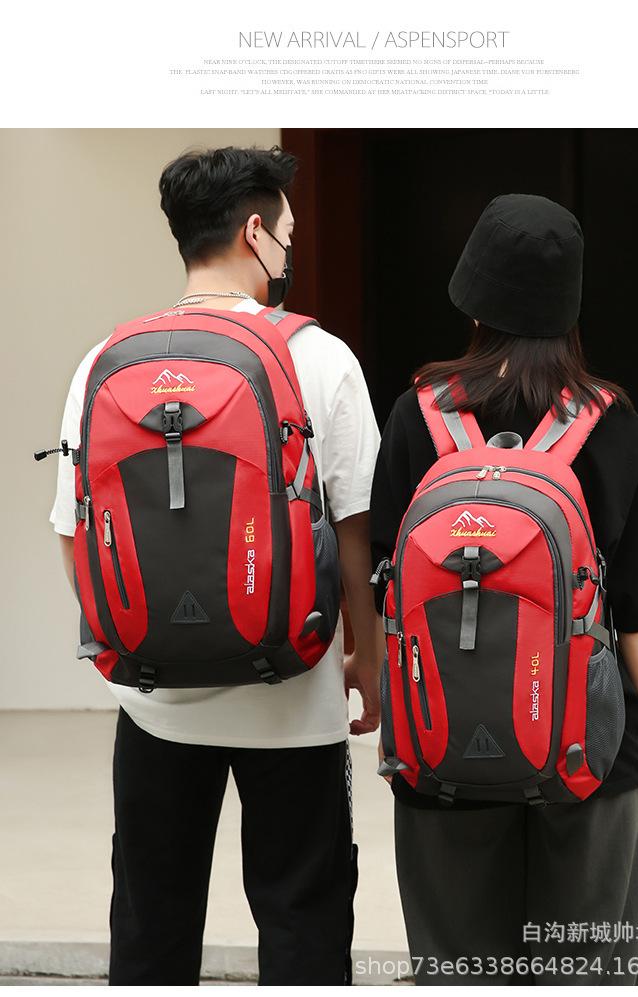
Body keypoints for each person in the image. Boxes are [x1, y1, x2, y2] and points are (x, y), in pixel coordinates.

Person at [49, 145, 384, 985]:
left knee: (151, 925)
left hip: (155, 702)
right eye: (287, 234)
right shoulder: (321, 358)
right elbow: (355, 534)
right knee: (303, 917)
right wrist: (369, 658)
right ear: (254, 231)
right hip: (295, 696)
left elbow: (73, 531)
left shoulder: (103, 361)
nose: (289, 250)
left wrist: (129, 641)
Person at [369, 194, 638, 986]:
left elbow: (391, 584)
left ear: (473, 300)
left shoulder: (418, 415)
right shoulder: (614, 425)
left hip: (441, 745)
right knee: (582, 969)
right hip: (591, 753)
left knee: (461, 968)